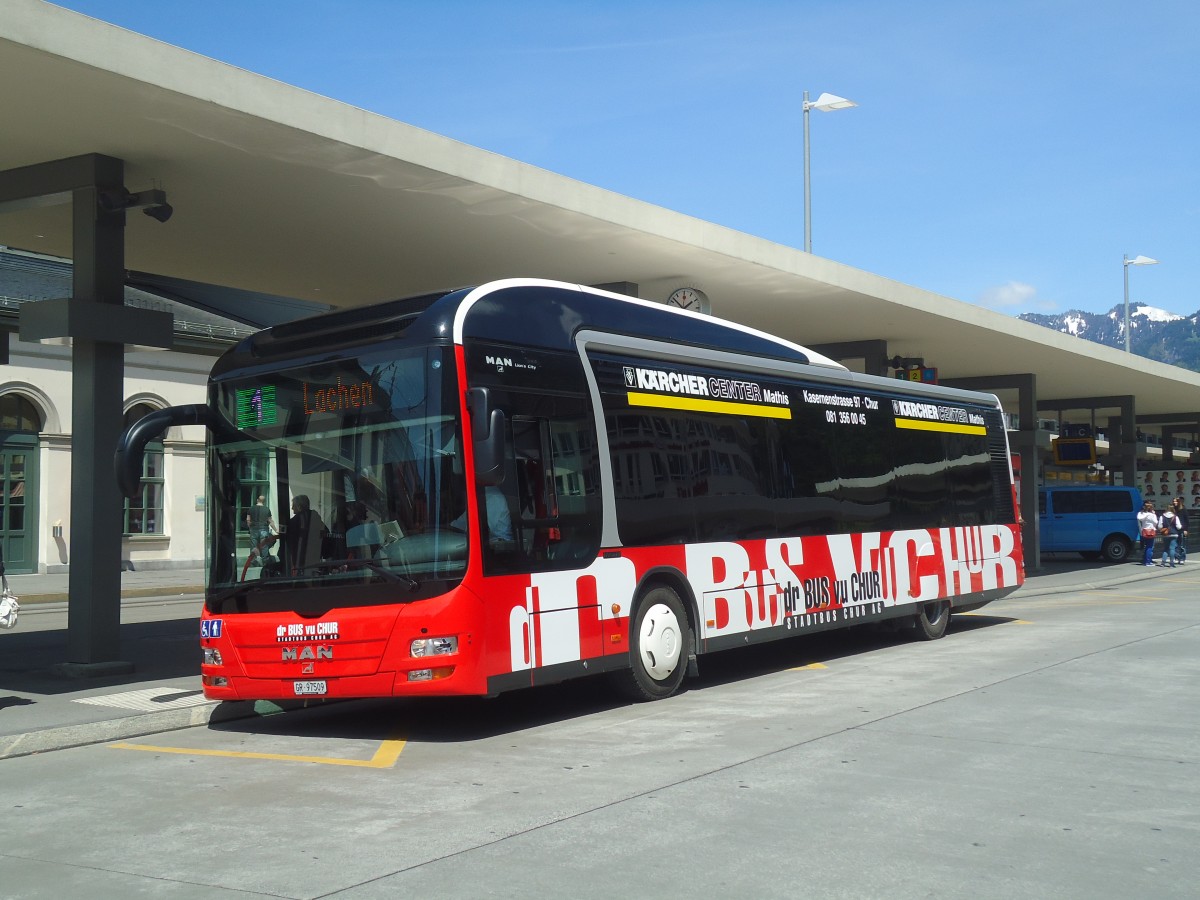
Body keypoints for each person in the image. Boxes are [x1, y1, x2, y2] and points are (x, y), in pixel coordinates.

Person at [285, 494, 327, 575]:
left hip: (300, 562)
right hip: (315, 559)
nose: (292, 508)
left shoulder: (293, 522)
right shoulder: (315, 518)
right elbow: (325, 535)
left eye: (293, 506)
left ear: (299, 507)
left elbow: (289, 543)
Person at [244, 495, 276, 566]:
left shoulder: (251, 508)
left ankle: (253, 561)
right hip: (264, 529)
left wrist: (250, 528)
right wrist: (276, 530)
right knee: (264, 546)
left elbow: (248, 520)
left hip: (254, 529)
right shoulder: (267, 509)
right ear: (264, 501)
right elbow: (270, 521)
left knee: (253, 546)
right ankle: (265, 562)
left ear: (257, 500)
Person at [1137, 499, 1160, 567]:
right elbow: (1155, 522)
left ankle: (1144, 560)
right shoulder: (1152, 514)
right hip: (1151, 531)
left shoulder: (1140, 513)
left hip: (1143, 531)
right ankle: (1148, 561)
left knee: (1145, 546)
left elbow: (1139, 518)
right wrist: (1152, 514)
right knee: (1150, 547)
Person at [1172, 496, 1189, 564]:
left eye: (1176, 501)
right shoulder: (1173, 509)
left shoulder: (1183, 509)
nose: (1174, 502)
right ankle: (1176, 557)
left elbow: (1186, 520)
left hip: (1182, 529)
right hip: (1174, 529)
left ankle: (1182, 558)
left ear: (1179, 502)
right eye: (1173, 501)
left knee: (1182, 545)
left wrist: (1185, 529)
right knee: (1175, 544)